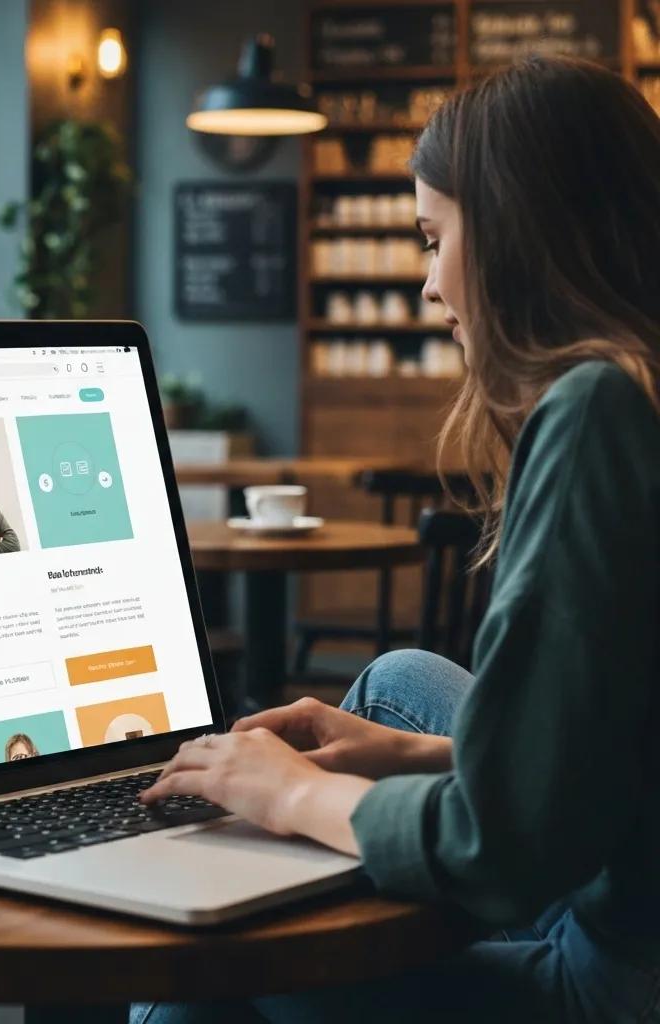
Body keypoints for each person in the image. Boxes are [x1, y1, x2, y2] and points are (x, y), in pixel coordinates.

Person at [138, 56, 660, 1023]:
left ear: (515, 238)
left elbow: (501, 849)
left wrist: (288, 795)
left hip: (616, 980)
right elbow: (615, 755)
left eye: (434, 238)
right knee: (398, 682)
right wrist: (399, 756)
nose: (428, 286)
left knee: (209, 968)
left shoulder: (598, 407)